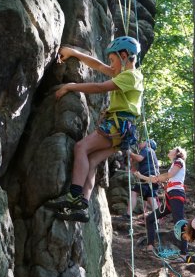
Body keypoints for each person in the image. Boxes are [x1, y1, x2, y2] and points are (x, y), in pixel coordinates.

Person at [46, 35, 143, 222]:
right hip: (124, 130)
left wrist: (71, 86)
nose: (110, 65)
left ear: (124, 56)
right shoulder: (124, 74)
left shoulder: (130, 76)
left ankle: (74, 196)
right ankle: (82, 206)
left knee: (81, 147)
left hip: (118, 124)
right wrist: (74, 53)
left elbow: (100, 87)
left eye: (113, 60)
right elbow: (98, 66)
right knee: (91, 160)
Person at [135, 146, 187, 254]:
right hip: (170, 198)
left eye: (171, 149)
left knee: (179, 223)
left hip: (176, 195)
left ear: (177, 152)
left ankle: (184, 252)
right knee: (150, 219)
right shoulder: (174, 164)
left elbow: (169, 175)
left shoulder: (179, 161)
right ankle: (150, 246)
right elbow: (158, 178)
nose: (169, 150)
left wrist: (158, 178)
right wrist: (141, 176)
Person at [125, 139, 159, 221]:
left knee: (134, 193)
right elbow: (140, 163)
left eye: (144, 141)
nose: (141, 143)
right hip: (154, 177)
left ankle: (128, 215)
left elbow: (139, 158)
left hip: (147, 175)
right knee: (151, 197)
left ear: (148, 144)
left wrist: (130, 153)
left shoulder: (147, 149)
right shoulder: (152, 154)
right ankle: (157, 219)